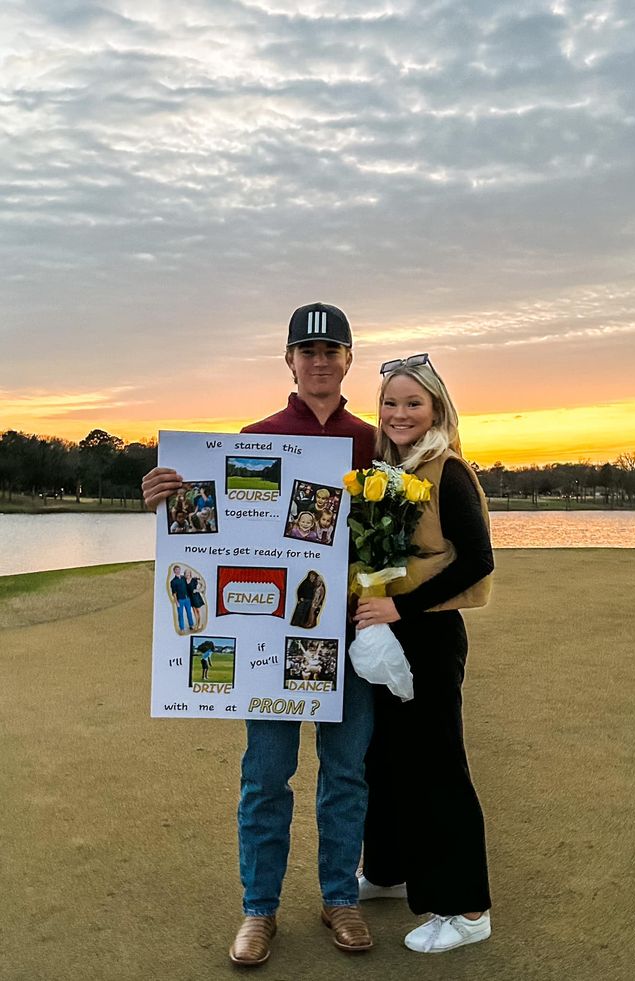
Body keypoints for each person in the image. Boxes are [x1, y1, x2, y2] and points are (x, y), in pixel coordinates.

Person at [142, 302, 376, 967]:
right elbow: (220, 530)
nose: (320, 360)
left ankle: (340, 896)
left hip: (352, 637)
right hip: (269, 643)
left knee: (346, 772)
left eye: (332, 349)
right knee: (267, 774)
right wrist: (165, 495)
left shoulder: (374, 440)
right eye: (308, 350)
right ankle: (259, 908)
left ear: (349, 359)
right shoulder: (256, 436)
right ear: (289, 361)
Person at [353, 354, 494, 954]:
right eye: (391, 402)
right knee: (384, 757)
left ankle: (465, 908)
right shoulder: (388, 467)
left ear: (435, 407)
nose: (400, 412)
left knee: (437, 765)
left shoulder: (446, 469)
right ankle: (388, 869)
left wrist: (400, 609)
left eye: (414, 402)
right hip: (387, 632)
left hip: (429, 634)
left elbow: (478, 558)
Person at [170, 564, 195, 632]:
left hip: (187, 599)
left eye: (178, 570)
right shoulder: (173, 581)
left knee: (189, 613)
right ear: (174, 571)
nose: (178, 571)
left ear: (180, 570)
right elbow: (174, 593)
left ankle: (191, 625)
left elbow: (189, 582)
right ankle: (182, 628)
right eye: (176, 570)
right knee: (180, 614)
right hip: (180, 600)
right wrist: (176, 602)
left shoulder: (184, 578)